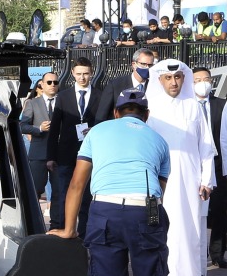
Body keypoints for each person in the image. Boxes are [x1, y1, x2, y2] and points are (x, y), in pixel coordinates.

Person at [49, 88, 172, 276]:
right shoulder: (159, 140)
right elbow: (160, 191)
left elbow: (77, 185)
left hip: (104, 209)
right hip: (146, 208)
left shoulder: (96, 132)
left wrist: (68, 229)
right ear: (146, 115)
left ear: (116, 112)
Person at [146, 59, 216, 276]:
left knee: (189, 230)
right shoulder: (151, 108)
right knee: (160, 230)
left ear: (184, 79)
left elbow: (206, 147)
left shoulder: (194, 107)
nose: (173, 82)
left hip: (189, 180)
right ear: (160, 80)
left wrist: (207, 180)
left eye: (177, 78)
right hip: (159, 182)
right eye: (168, 78)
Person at [47, 59, 104, 233]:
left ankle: (84, 233)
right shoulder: (63, 96)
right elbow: (55, 127)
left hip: (90, 154)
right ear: (72, 73)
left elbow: (105, 123)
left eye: (85, 73)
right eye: (79, 74)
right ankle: (63, 229)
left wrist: (94, 129)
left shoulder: (100, 96)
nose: (82, 77)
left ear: (91, 73)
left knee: (87, 196)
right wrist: (51, 156)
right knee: (64, 193)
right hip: (66, 153)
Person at [194, 66, 227, 269]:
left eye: (206, 79)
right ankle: (197, 255)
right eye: (197, 80)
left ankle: (217, 253)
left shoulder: (222, 105)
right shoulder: (188, 105)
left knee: (219, 211)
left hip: (218, 163)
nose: (202, 83)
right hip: (195, 165)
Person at [20, 72, 59, 200]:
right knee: (34, 191)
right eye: (49, 82)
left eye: (55, 82)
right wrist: (39, 128)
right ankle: (33, 219)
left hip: (59, 153)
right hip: (38, 153)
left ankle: (57, 220)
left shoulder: (63, 101)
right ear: (42, 84)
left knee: (59, 191)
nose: (52, 85)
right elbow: (22, 126)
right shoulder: (32, 103)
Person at [98, 47, 155, 123]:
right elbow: (102, 114)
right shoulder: (115, 85)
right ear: (134, 64)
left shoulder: (154, 86)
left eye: (150, 65)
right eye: (143, 64)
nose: (147, 68)